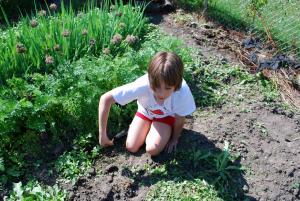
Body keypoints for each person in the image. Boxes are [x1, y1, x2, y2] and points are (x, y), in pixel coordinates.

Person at [98, 51, 196, 156]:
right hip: (145, 111)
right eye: (157, 87)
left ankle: (160, 129)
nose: (161, 93)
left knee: (152, 149)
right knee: (131, 146)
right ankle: (149, 127)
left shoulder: (182, 91)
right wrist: (102, 134)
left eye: (168, 88)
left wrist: (174, 139)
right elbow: (105, 99)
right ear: (150, 79)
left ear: (176, 85)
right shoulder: (142, 85)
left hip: (166, 116)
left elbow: (180, 119)